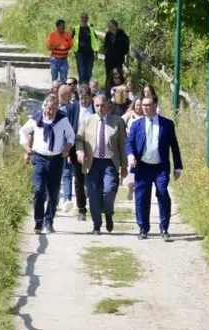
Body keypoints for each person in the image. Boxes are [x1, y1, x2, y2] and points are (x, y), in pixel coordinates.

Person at [126, 95, 182, 240]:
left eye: (148, 105)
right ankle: (143, 228)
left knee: (162, 193)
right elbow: (129, 142)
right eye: (143, 105)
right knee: (141, 197)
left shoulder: (166, 124)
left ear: (155, 105)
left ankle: (164, 229)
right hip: (143, 167)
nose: (144, 108)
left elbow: (174, 146)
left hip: (160, 168)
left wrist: (178, 167)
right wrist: (130, 155)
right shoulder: (136, 124)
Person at [19, 94, 75, 234]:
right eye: (49, 108)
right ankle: (38, 222)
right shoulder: (37, 118)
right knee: (39, 189)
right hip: (39, 158)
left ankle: (49, 221)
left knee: (53, 192)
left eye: (54, 109)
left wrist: (67, 147)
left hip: (56, 159)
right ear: (44, 107)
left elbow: (71, 135)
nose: (51, 112)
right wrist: (26, 146)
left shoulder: (62, 119)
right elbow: (23, 131)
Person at [76, 94, 128, 234]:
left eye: (102, 105)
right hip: (92, 163)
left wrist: (124, 166)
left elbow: (122, 145)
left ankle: (109, 212)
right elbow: (79, 139)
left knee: (109, 190)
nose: (99, 108)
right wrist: (80, 151)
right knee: (93, 195)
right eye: (97, 106)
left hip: (110, 163)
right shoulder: (87, 120)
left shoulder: (117, 121)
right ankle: (97, 225)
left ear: (108, 106)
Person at [62, 84, 94, 220]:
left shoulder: (97, 107)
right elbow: (67, 130)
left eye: (86, 98)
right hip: (76, 147)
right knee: (78, 180)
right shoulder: (72, 108)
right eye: (81, 98)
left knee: (93, 178)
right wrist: (68, 151)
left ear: (91, 97)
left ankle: (97, 206)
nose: (83, 101)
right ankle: (82, 209)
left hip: (94, 148)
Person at [121, 98, 144, 200]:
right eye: (137, 105)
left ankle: (136, 187)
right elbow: (120, 122)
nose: (139, 107)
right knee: (131, 166)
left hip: (141, 145)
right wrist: (126, 130)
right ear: (134, 105)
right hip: (130, 144)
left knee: (139, 167)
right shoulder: (130, 115)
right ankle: (130, 187)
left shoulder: (145, 116)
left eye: (140, 105)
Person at [71, 12, 101, 84]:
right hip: (80, 53)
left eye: (85, 18)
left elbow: (95, 41)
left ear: (88, 19)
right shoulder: (75, 29)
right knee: (82, 72)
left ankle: (86, 87)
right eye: (82, 17)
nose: (84, 19)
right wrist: (74, 50)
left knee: (89, 73)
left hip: (90, 54)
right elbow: (70, 39)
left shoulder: (91, 29)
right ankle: (82, 88)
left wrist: (96, 52)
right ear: (80, 18)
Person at [103, 19, 130, 90]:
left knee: (117, 75)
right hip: (109, 60)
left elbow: (126, 48)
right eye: (109, 26)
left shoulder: (123, 35)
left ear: (116, 26)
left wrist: (120, 53)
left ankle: (118, 90)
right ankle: (108, 90)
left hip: (118, 60)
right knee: (109, 75)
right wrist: (106, 53)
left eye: (111, 26)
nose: (110, 28)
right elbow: (105, 45)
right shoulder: (108, 34)